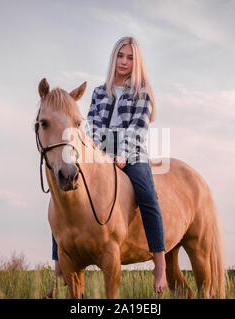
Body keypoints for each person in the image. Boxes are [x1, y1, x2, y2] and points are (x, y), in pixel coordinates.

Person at [52, 36, 167, 293]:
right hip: (101, 153)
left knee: (148, 197)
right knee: (65, 193)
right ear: (113, 58)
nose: (124, 61)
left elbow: (138, 129)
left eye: (129, 57)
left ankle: (160, 264)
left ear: (136, 62)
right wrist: (96, 154)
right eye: (120, 55)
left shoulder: (142, 91)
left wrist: (123, 155)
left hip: (133, 153)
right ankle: (58, 261)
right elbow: (92, 127)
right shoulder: (100, 92)